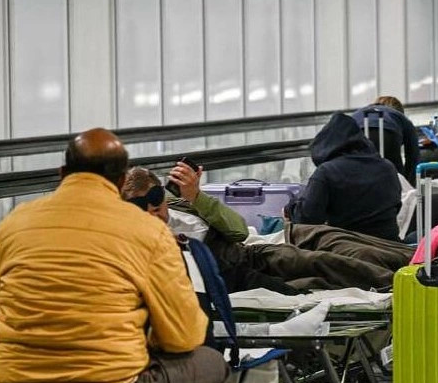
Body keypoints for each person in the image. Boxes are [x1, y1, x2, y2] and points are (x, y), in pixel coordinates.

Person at [0, 129, 228, 383]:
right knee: (212, 366)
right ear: (121, 181)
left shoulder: (12, 224)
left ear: (61, 173)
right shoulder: (147, 231)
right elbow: (184, 336)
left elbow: (3, 299)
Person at [125, 166, 408, 293]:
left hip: (249, 251)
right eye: (142, 207)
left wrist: (197, 197)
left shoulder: (182, 204)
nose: (153, 211)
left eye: (156, 202)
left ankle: (417, 268)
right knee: (319, 270)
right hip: (233, 275)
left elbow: (237, 231)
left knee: (329, 252)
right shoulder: (138, 239)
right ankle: (400, 287)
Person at [288, 113, 403, 241]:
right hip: (392, 246)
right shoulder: (388, 167)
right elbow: (397, 205)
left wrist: (290, 209)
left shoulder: (326, 172)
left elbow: (307, 219)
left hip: (349, 248)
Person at [352, 95, 420, 182]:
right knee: (395, 177)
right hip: (389, 134)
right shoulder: (400, 117)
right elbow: (413, 156)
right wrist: (409, 184)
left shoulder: (357, 113)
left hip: (358, 134)